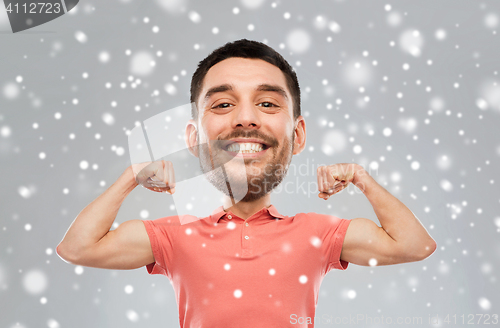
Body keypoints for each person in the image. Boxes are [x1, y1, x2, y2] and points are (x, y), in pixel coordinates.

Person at [57, 39, 437, 328]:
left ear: (298, 135)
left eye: (268, 104)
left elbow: (415, 245)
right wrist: (131, 177)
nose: (246, 118)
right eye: (222, 104)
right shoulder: (176, 237)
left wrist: (361, 177)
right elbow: (77, 248)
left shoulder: (316, 234)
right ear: (193, 139)